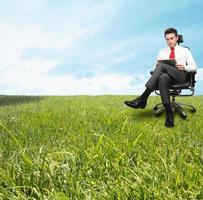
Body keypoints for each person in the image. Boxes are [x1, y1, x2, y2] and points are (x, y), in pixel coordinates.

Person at [124, 27, 197, 127]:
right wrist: (158, 68)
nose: (169, 41)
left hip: (180, 76)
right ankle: (169, 115)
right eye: (167, 39)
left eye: (172, 38)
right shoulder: (162, 51)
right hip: (166, 77)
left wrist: (184, 67)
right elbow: (156, 69)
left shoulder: (185, 50)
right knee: (162, 77)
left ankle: (142, 99)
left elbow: (194, 67)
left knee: (161, 66)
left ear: (176, 38)